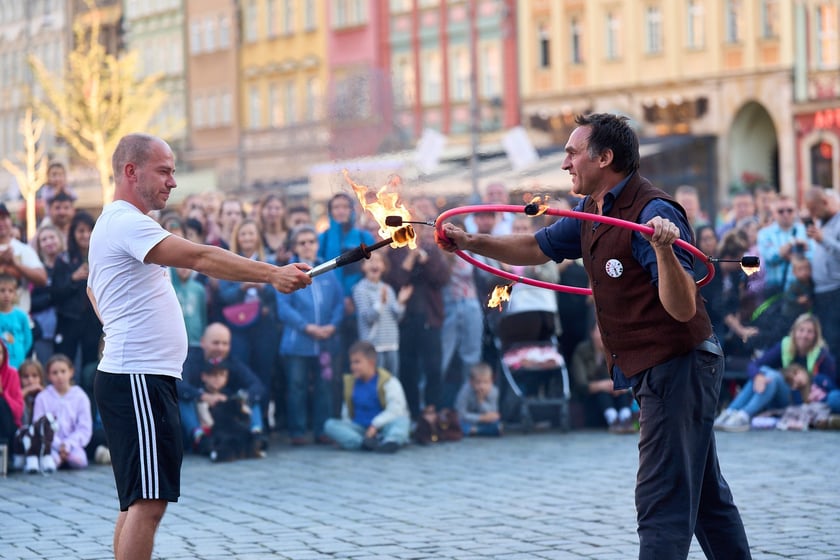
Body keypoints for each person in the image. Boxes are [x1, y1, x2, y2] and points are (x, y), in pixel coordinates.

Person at [436, 113, 751, 559]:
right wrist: (470, 242)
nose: (565, 163)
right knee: (705, 497)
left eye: (572, 152)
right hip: (657, 365)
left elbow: (682, 307)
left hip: (679, 363)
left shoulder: (652, 213)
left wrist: (663, 249)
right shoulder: (590, 211)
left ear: (605, 158)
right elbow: (535, 247)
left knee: (661, 497)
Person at [87, 133, 311, 560]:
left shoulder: (117, 222)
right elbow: (201, 258)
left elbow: (92, 290)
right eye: (165, 171)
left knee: (138, 500)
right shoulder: (125, 221)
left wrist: (115, 327)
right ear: (131, 172)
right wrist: (272, 274)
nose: (173, 182)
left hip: (141, 375)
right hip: (138, 377)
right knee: (148, 502)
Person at [276, 225, 344, 446]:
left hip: (324, 341)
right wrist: (307, 327)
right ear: (295, 247)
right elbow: (284, 307)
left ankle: (321, 429)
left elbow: (338, 302)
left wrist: (332, 326)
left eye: (311, 241)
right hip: (299, 342)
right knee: (297, 386)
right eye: (302, 242)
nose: (307, 246)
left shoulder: (327, 268)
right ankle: (297, 430)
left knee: (324, 386)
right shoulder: (289, 271)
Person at [715, 313, 836, 432]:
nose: (804, 335)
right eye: (801, 330)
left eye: (810, 332)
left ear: (816, 336)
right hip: (779, 395)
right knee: (763, 372)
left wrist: (810, 381)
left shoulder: (823, 356)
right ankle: (730, 412)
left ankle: (744, 415)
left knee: (772, 376)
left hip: (801, 400)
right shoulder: (785, 346)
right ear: (794, 331)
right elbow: (754, 364)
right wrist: (757, 377)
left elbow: (831, 387)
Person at [178, 323, 268, 452]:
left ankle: (256, 435)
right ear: (203, 342)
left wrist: (238, 398)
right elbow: (178, 385)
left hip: (225, 413)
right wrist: (203, 396)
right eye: (216, 343)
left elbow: (256, 385)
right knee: (182, 400)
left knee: (253, 399)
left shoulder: (232, 362)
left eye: (225, 343)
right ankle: (198, 438)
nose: (220, 348)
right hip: (199, 412)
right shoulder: (190, 360)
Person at [323, 340, 410, 453]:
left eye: (357, 362)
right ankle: (364, 443)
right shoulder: (351, 383)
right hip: (359, 429)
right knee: (330, 425)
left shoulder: (389, 382)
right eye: (351, 363)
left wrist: (374, 426)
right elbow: (346, 414)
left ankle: (390, 441)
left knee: (402, 421)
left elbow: (395, 410)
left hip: (383, 427)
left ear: (371, 362)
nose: (353, 367)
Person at [51, 211, 102, 378]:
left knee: (91, 369)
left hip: (94, 322)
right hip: (69, 322)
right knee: (66, 366)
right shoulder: (63, 260)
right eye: (81, 231)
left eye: (89, 230)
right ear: (73, 233)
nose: (86, 235)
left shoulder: (102, 256)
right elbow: (55, 293)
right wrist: (73, 279)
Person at [352, 250, 411, 376]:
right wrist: (381, 303)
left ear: (384, 267)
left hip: (391, 344)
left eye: (379, 261)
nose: (375, 264)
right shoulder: (360, 289)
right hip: (373, 347)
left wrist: (400, 302)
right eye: (371, 260)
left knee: (391, 384)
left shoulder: (388, 289)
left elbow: (397, 318)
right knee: (376, 385)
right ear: (363, 266)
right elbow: (368, 317)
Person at [571, 321, 636, 433]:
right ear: (592, 333)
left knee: (620, 391)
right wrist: (604, 385)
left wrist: (619, 386)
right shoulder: (582, 351)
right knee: (603, 392)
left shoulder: (615, 350)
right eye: (599, 331)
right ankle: (613, 420)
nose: (603, 335)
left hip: (615, 395)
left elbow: (627, 376)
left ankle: (625, 419)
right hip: (591, 400)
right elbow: (581, 384)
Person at [31, 354, 92, 471]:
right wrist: (58, 445)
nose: (59, 376)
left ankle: (65, 457)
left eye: (63, 371)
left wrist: (68, 444)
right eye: (55, 373)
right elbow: (38, 425)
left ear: (71, 372)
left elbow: (84, 428)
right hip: (49, 445)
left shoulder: (80, 396)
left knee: (79, 461)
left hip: (73, 445)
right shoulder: (42, 398)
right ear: (48, 375)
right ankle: (56, 458)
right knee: (51, 461)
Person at [802, 187, 840, 366]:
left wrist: (823, 239)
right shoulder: (822, 224)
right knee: (824, 341)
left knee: (834, 342)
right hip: (820, 292)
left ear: (825, 203)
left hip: (835, 291)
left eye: (814, 209)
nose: (812, 214)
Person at [196, 361, 260, 462]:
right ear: (204, 376)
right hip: (211, 430)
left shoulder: (230, 395)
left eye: (222, 375)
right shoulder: (199, 394)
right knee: (216, 441)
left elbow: (243, 416)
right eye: (213, 375)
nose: (217, 379)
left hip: (231, 428)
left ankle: (256, 433)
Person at [756, 195, 811, 298]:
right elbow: (769, 257)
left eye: (790, 210)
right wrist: (791, 246)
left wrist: (787, 254)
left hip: (802, 288)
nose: (785, 214)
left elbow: (812, 256)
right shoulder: (764, 233)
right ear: (774, 213)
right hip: (776, 289)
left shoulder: (805, 231)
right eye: (781, 211)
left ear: (796, 211)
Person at [0, 202, 47, 314]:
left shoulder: (23, 249)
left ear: (10, 220)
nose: (1, 223)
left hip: (20, 320)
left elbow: (42, 279)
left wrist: (15, 264)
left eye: (3, 218)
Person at [10, 358, 53, 473]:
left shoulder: (47, 395)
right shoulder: (17, 395)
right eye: (26, 376)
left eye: (35, 376)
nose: (30, 380)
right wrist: (23, 394)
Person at [30, 224, 64, 363]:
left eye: (51, 237)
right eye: (44, 239)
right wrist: (52, 297)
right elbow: (31, 301)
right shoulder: (37, 270)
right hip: (43, 330)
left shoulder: (70, 265)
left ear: (59, 240)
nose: (48, 242)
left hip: (66, 329)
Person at [454, 362, 502, 437]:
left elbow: (492, 413)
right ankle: (480, 431)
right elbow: (461, 414)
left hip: (484, 421)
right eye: (478, 382)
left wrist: (481, 402)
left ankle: (474, 431)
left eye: (485, 382)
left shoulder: (493, 391)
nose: (481, 386)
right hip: (469, 420)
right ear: (471, 382)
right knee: (457, 423)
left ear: (491, 381)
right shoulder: (465, 391)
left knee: (497, 424)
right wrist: (480, 418)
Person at [0, 338, 23, 473]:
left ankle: (6, 457)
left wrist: (3, 393)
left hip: (8, 426)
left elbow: (18, 411)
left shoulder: (12, 374)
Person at [0, 273, 33, 369]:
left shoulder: (21, 315)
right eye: (2, 290)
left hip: (18, 360)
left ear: (15, 294)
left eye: (10, 291)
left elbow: (28, 339)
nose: (6, 294)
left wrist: (21, 352)